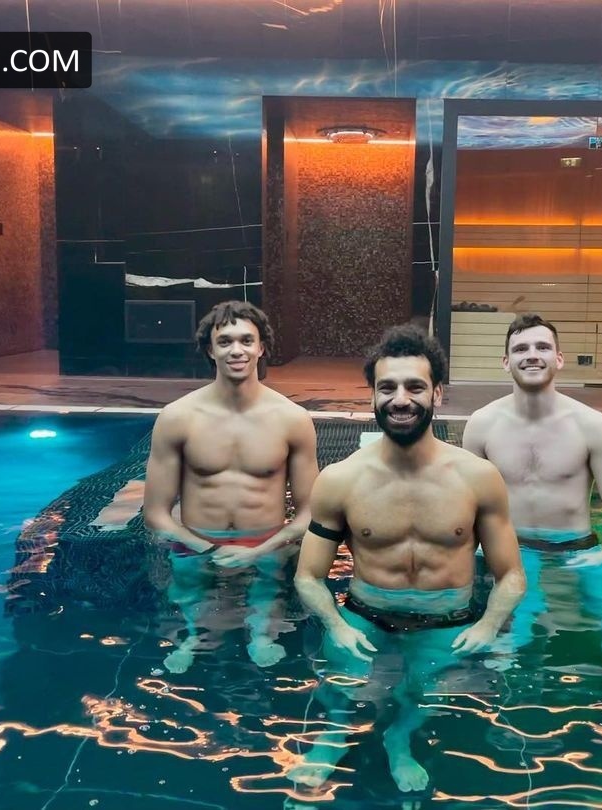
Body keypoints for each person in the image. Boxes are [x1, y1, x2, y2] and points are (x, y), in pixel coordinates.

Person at [290, 324, 525, 793]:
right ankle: (333, 737)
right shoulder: (340, 479)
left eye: (415, 387)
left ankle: (400, 737)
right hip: (365, 618)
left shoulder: (478, 477)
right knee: (345, 688)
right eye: (387, 388)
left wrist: (486, 626)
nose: (401, 399)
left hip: (449, 620)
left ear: (437, 393)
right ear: (373, 396)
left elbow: (512, 576)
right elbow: (308, 577)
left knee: (431, 694)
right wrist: (337, 626)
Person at [463, 313, 602, 691]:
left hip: (576, 548)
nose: (532, 355)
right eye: (520, 349)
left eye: (542, 347)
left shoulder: (590, 424)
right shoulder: (482, 423)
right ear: (506, 361)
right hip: (512, 547)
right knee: (516, 616)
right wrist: (473, 550)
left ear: (559, 359)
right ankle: (511, 645)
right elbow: (469, 503)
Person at [142, 300, 318, 670]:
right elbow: (156, 514)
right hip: (196, 545)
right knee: (187, 588)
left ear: (261, 348)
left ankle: (262, 633)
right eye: (225, 342)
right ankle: (193, 635)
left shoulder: (292, 419)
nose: (236, 350)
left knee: (270, 582)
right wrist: (206, 549)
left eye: (246, 340)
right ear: (210, 350)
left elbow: (309, 515)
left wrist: (258, 552)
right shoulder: (177, 418)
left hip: (266, 544)